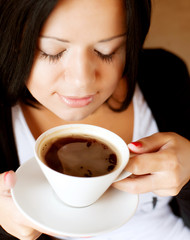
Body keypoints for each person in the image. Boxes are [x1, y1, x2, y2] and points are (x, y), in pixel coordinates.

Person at [0, 0, 190, 239]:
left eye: (106, 51)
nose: (82, 81)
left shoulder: (166, 76)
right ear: (14, 40)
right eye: (53, 52)